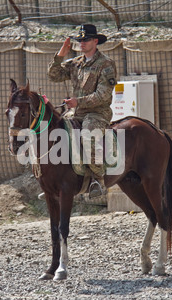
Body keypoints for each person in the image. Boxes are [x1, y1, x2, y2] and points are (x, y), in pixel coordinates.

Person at [47, 24, 117, 198]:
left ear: (95, 41)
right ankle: (55, 180)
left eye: (85, 40)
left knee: (88, 136)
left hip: (97, 113)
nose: (82, 43)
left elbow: (103, 95)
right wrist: (60, 55)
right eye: (80, 40)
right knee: (53, 131)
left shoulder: (106, 64)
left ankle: (98, 180)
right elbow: (54, 75)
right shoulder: (76, 63)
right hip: (76, 112)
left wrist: (77, 102)